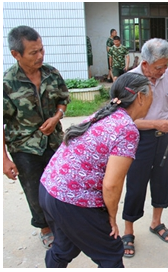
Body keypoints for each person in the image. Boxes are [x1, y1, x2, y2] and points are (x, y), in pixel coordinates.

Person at [39, 72, 153, 268]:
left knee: (65, 247)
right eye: (151, 94)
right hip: (72, 200)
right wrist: (110, 217)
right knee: (111, 254)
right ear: (140, 97)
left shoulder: (105, 114)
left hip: (49, 189)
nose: (153, 99)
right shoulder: (127, 129)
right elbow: (111, 185)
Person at [122, 38, 168, 258]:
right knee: (136, 186)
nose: (164, 70)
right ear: (145, 63)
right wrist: (154, 124)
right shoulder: (130, 80)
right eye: (159, 67)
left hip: (166, 138)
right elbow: (123, 119)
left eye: (166, 65)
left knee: (163, 181)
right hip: (138, 139)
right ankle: (128, 231)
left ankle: (156, 222)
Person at [3, 25, 70, 250]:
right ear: (16, 54)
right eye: (33, 52)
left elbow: (63, 99)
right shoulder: (7, 84)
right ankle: (44, 228)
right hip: (24, 148)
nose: (40, 56)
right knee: (34, 190)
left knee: (61, 185)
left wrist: (57, 116)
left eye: (41, 49)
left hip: (54, 142)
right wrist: (4, 159)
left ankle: (63, 222)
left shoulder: (52, 73)